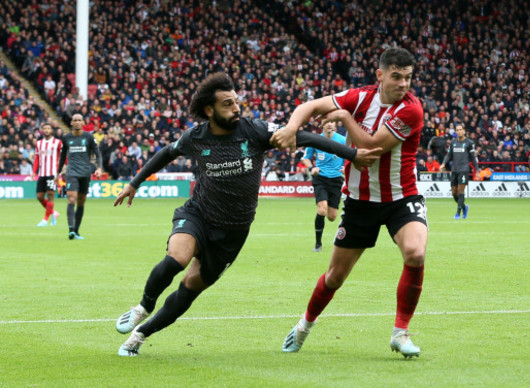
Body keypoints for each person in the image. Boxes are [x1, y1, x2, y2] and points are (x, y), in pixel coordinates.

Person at [112, 72, 381, 357]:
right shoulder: (196, 137)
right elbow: (166, 153)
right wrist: (134, 183)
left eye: (237, 102)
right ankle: (143, 306)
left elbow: (309, 138)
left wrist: (351, 155)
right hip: (198, 215)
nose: (236, 108)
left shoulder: (256, 131)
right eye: (227, 104)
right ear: (209, 110)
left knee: (190, 288)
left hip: (233, 231)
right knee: (177, 257)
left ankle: (140, 335)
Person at [271, 47, 427, 358]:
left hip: (401, 196)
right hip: (359, 201)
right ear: (380, 75)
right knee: (335, 277)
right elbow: (309, 105)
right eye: (396, 77)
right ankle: (303, 327)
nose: (403, 84)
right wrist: (291, 128)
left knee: (415, 252)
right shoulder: (360, 97)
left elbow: (370, 148)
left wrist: (343, 116)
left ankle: (401, 333)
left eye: (408, 78)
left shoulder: (411, 110)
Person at [301, 122, 346, 252]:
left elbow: (350, 156)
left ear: (335, 124)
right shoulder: (315, 140)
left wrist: (346, 167)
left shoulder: (343, 140)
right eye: (326, 122)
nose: (329, 125)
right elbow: (306, 158)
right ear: (322, 125)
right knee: (322, 209)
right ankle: (318, 244)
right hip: (320, 178)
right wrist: (311, 168)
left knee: (332, 217)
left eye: (331, 122)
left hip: (336, 179)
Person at [56, 113, 103, 240]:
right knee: (71, 199)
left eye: (79, 120)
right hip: (71, 172)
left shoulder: (88, 137)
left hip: (85, 173)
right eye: (75, 120)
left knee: (81, 201)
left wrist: (99, 168)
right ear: (71, 123)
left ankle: (76, 231)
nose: (77, 122)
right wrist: (58, 173)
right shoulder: (66, 138)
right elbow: (62, 157)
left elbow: (97, 154)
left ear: (83, 123)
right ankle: (70, 229)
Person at [439, 124, 479, 220]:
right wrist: (443, 163)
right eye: (457, 130)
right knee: (454, 192)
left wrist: (477, 170)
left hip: (464, 170)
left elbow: (473, 158)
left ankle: (458, 213)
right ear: (456, 132)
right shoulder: (453, 143)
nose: (459, 131)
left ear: (464, 131)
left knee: (461, 191)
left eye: (461, 129)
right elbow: (448, 155)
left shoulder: (469, 143)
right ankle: (465, 207)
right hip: (455, 170)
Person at [32, 123, 62, 226]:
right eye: (44, 128)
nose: (46, 130)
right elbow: (36, 158)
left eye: (48, 128)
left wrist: (61, 171)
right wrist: (33, 172)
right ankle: (54, 213)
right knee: (39, 197)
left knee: (50, 196)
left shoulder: (57, 142)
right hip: (42, 173)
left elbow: (63, 157)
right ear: (42, 131)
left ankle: (45, 220)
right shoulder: (39, 143)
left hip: (52, 173)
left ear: (52, 130)